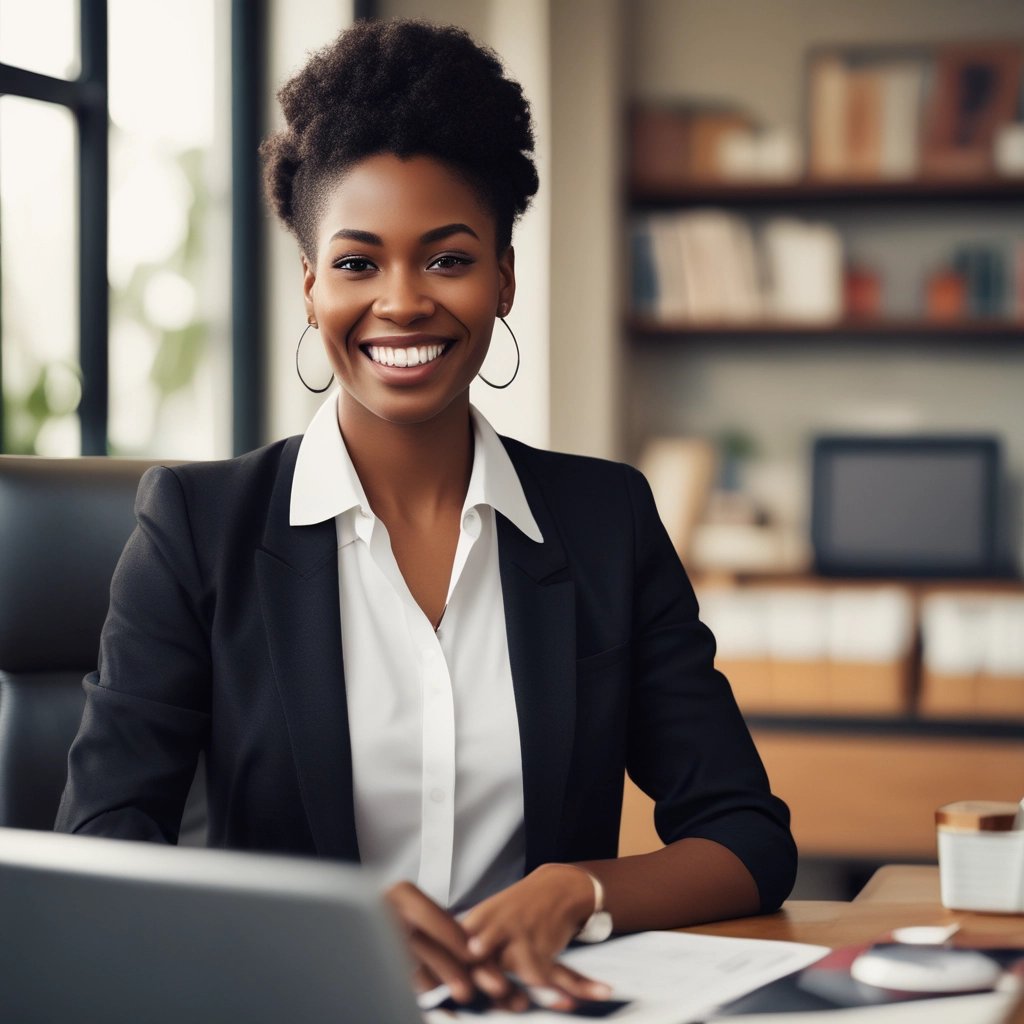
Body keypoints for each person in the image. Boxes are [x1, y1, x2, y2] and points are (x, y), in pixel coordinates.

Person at [57, 17, 796, 1011]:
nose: (401, 302)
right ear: (312, 283)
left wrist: (575, 890)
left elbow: (747, 836)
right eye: (358, 263)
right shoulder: (198, 525)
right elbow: (100, 845)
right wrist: (321, 910)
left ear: (503, 276)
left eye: (446, 258)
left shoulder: (603, 522)